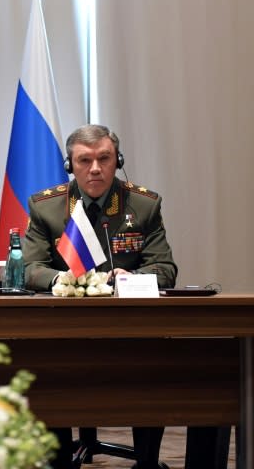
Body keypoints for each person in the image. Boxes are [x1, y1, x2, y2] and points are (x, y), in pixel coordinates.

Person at [22, 124, 227, 469]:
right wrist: (66, 279)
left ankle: (146, 462)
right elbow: (31, 270)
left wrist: (133, 278)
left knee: (152, 372)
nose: (96, 168)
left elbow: (164, 268)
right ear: (70, 165)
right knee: (47, 377)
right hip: (65, 331)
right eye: (84, 160)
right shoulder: (48, 207)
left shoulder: (143, 205)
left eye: (104, 158)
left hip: (131, 329)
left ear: (118, 160)